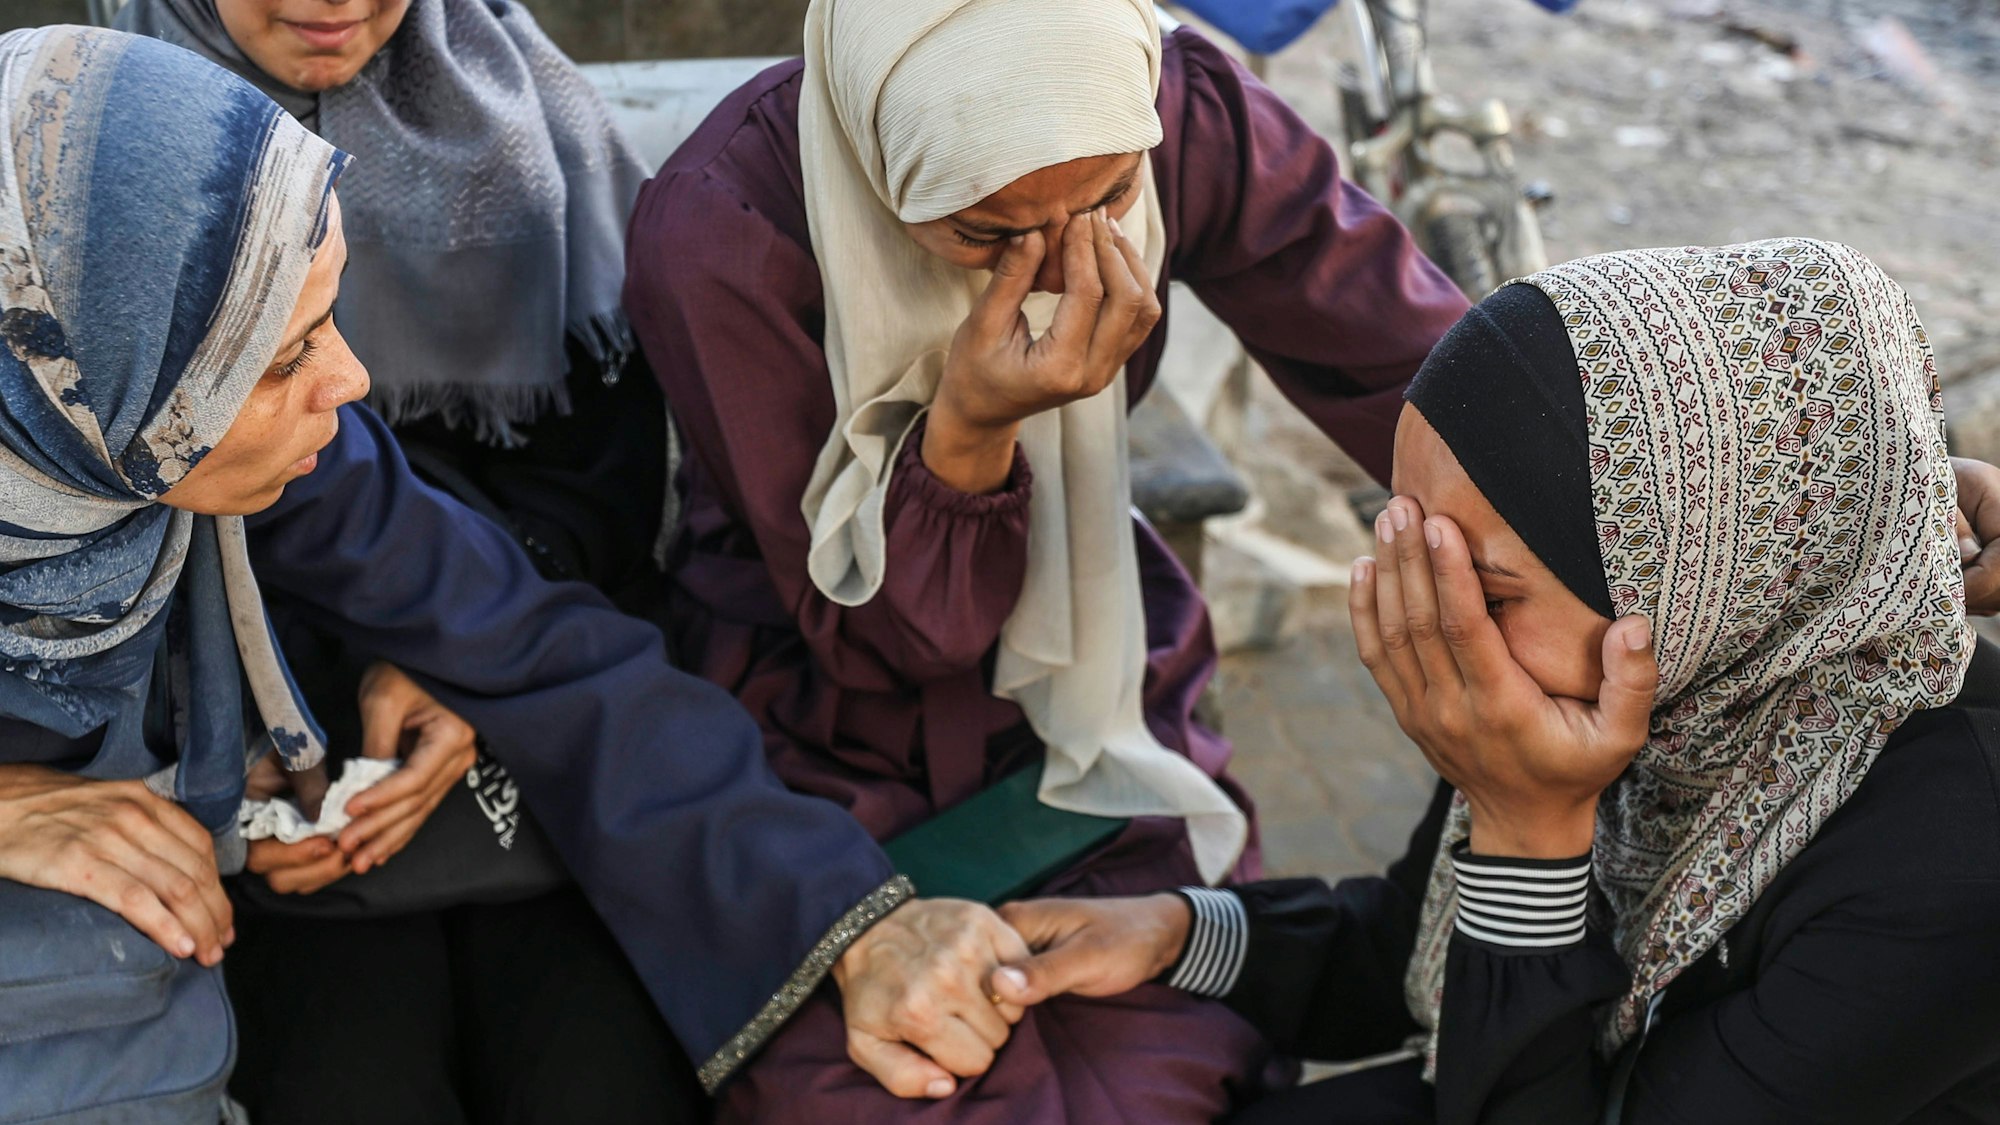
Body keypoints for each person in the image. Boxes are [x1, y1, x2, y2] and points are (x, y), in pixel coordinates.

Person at [0, 23, 921, 1123]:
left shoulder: (244, 439)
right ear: (81, 379)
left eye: (328, 320)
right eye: (285, 355)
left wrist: (847, 919)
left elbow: (524, 639)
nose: (351, 382)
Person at [621, 0, 1474, 1117]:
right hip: (817, 731)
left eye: (1112, 198)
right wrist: (969, 429)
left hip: (1099, 650)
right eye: (984, 234)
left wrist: (1580, 555)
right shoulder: (722, 233)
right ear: (880, 169)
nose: (1068, 271)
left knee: (1193, 1057)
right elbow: (893, 636)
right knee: (914, 1077)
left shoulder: (1166, 107)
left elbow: (1422, 371)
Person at [992, 239, 2000, 1123]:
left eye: (1483, 590)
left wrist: (1529, 835)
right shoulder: (1668, 687)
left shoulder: (1949, 867)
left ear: (1709, 574)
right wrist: (1177, 932)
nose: (1429, 628)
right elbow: (1419, 944)